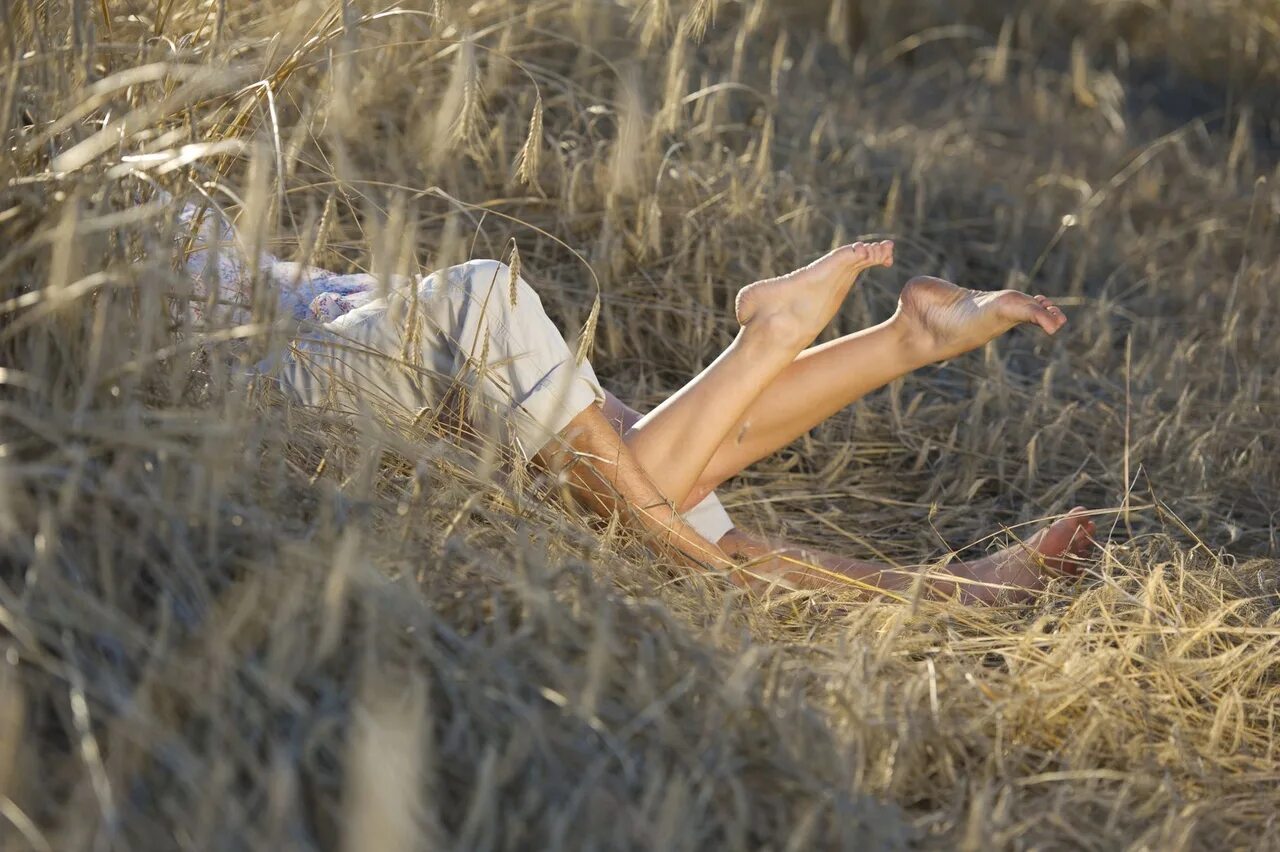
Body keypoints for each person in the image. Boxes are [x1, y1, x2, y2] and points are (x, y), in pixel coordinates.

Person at [175, 199, 1095, 604]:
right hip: (248, 392)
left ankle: (901, 349)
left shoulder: (130, 170)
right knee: (480, 298)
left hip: (340, 328)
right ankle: (827, 347)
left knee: (624, 448)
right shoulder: (45, 185)